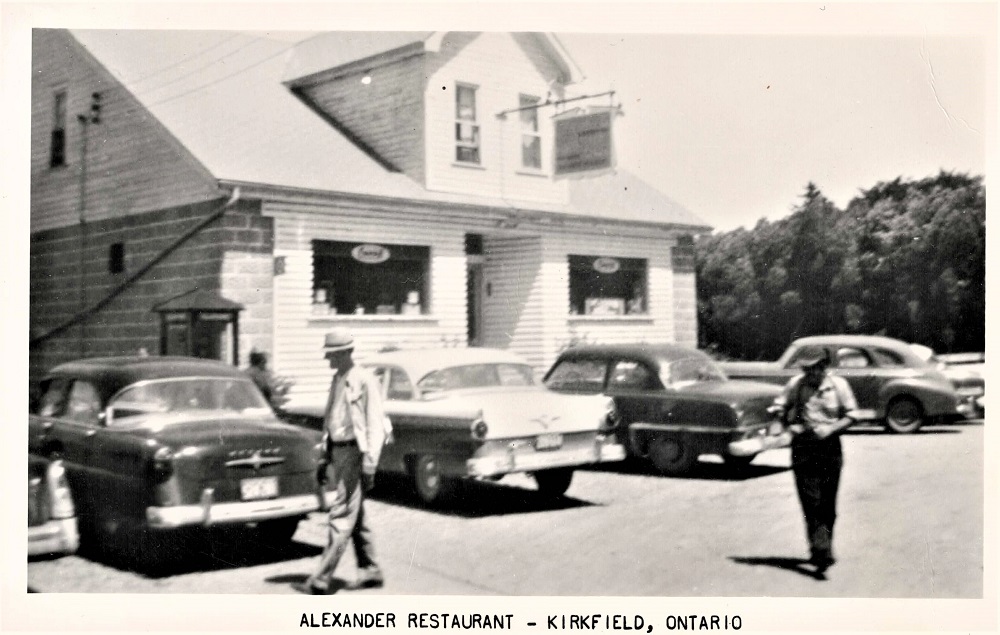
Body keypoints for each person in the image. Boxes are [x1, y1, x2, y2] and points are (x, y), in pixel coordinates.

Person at [295, 329, 389, 594]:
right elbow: (331, 421)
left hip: (353, 454)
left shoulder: (364, 380)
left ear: (347, 353)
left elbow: (375, 425)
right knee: (354, 513)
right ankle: (371, 571)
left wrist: (370, 462)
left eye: (333, 354)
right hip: (338, 451)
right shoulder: (337, 379)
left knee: (341, 514)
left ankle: (321, 580)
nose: (328, 360)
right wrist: (325, 458)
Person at [772, 347, 859, 576]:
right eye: (807, 369)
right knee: (811, 501)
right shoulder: (795, 385)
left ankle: (821, 546)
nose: (811, 373)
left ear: (824, 367)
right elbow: (780, 407)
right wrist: (788, 424)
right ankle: (821, 550)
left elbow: (852, 416)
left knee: (828, 504)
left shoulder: (839, 386)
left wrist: (831, 428)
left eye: (815, 369)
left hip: (830, 447)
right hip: (803, 447)